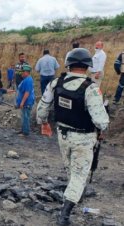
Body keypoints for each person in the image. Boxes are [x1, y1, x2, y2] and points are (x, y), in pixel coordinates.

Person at [36, 48, 109, 226]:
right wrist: (103, 128)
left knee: (71, 168)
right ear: (87, 66)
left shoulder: (56, 83)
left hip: (63, 135)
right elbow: (101, 121)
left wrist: (44, 123)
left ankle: (76, 194)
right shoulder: (91, 88)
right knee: (79, 174)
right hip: (83, 138)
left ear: (68, 64)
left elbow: (42, 108)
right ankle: (65, 214)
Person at [16, 65, 35, 136]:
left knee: (26, 117)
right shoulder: (26, 79)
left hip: (27, 102)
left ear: (26, 72)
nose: (21, 73)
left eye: (22, 72)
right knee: (23, 116)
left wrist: (22, 102)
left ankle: (25, 132)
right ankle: (23, 130)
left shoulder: (28, 80)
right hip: (25, 102)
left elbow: (27, 92)